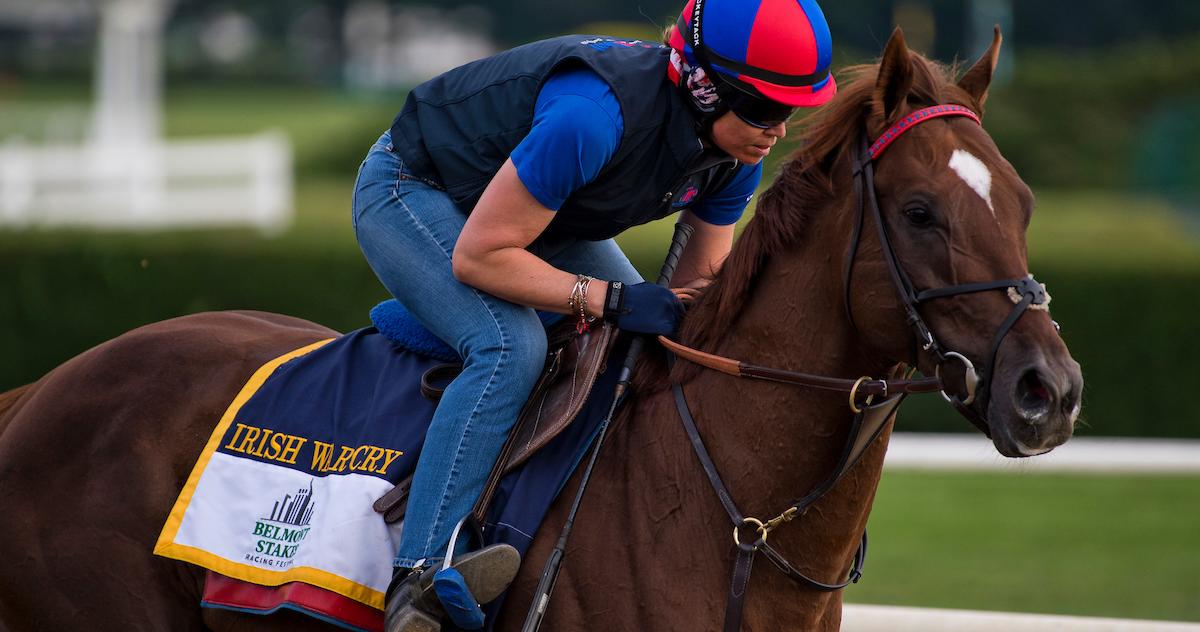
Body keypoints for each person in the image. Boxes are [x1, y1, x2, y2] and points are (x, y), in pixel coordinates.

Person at [351, 0, 837, 629]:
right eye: (764, 107)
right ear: (704, 86)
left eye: (791, 110)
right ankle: (420, 575)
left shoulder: (736, 158)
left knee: (655, 344)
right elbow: (480, 257)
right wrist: (606, 300)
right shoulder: (591, 118)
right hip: (415, 191)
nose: (775, 128)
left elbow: (693, 298)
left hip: (531, 217)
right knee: (510, 345)